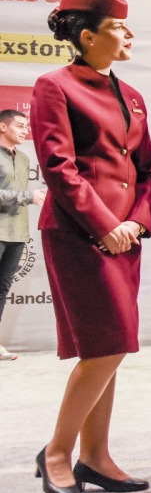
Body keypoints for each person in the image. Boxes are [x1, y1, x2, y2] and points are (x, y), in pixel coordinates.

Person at [31, 0, 151, 493]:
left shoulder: (132, 95)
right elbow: (59, 168)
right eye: (118, 27)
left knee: (109, 346)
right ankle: (58, 452)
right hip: (80, 234)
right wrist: (105, 224)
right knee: (108, 345)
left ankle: (96, 455)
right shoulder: (54, 86)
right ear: (87, 36)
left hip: (124, 236)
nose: (129, 35)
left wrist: (136, 222)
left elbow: (147, 171)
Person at [0, 109, 47, 361]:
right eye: (19, 125)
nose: (24, 130)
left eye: (26, 125)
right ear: (2, 127)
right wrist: (27, 197)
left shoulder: (25, 158)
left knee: (2, 288)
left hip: (17, 234)